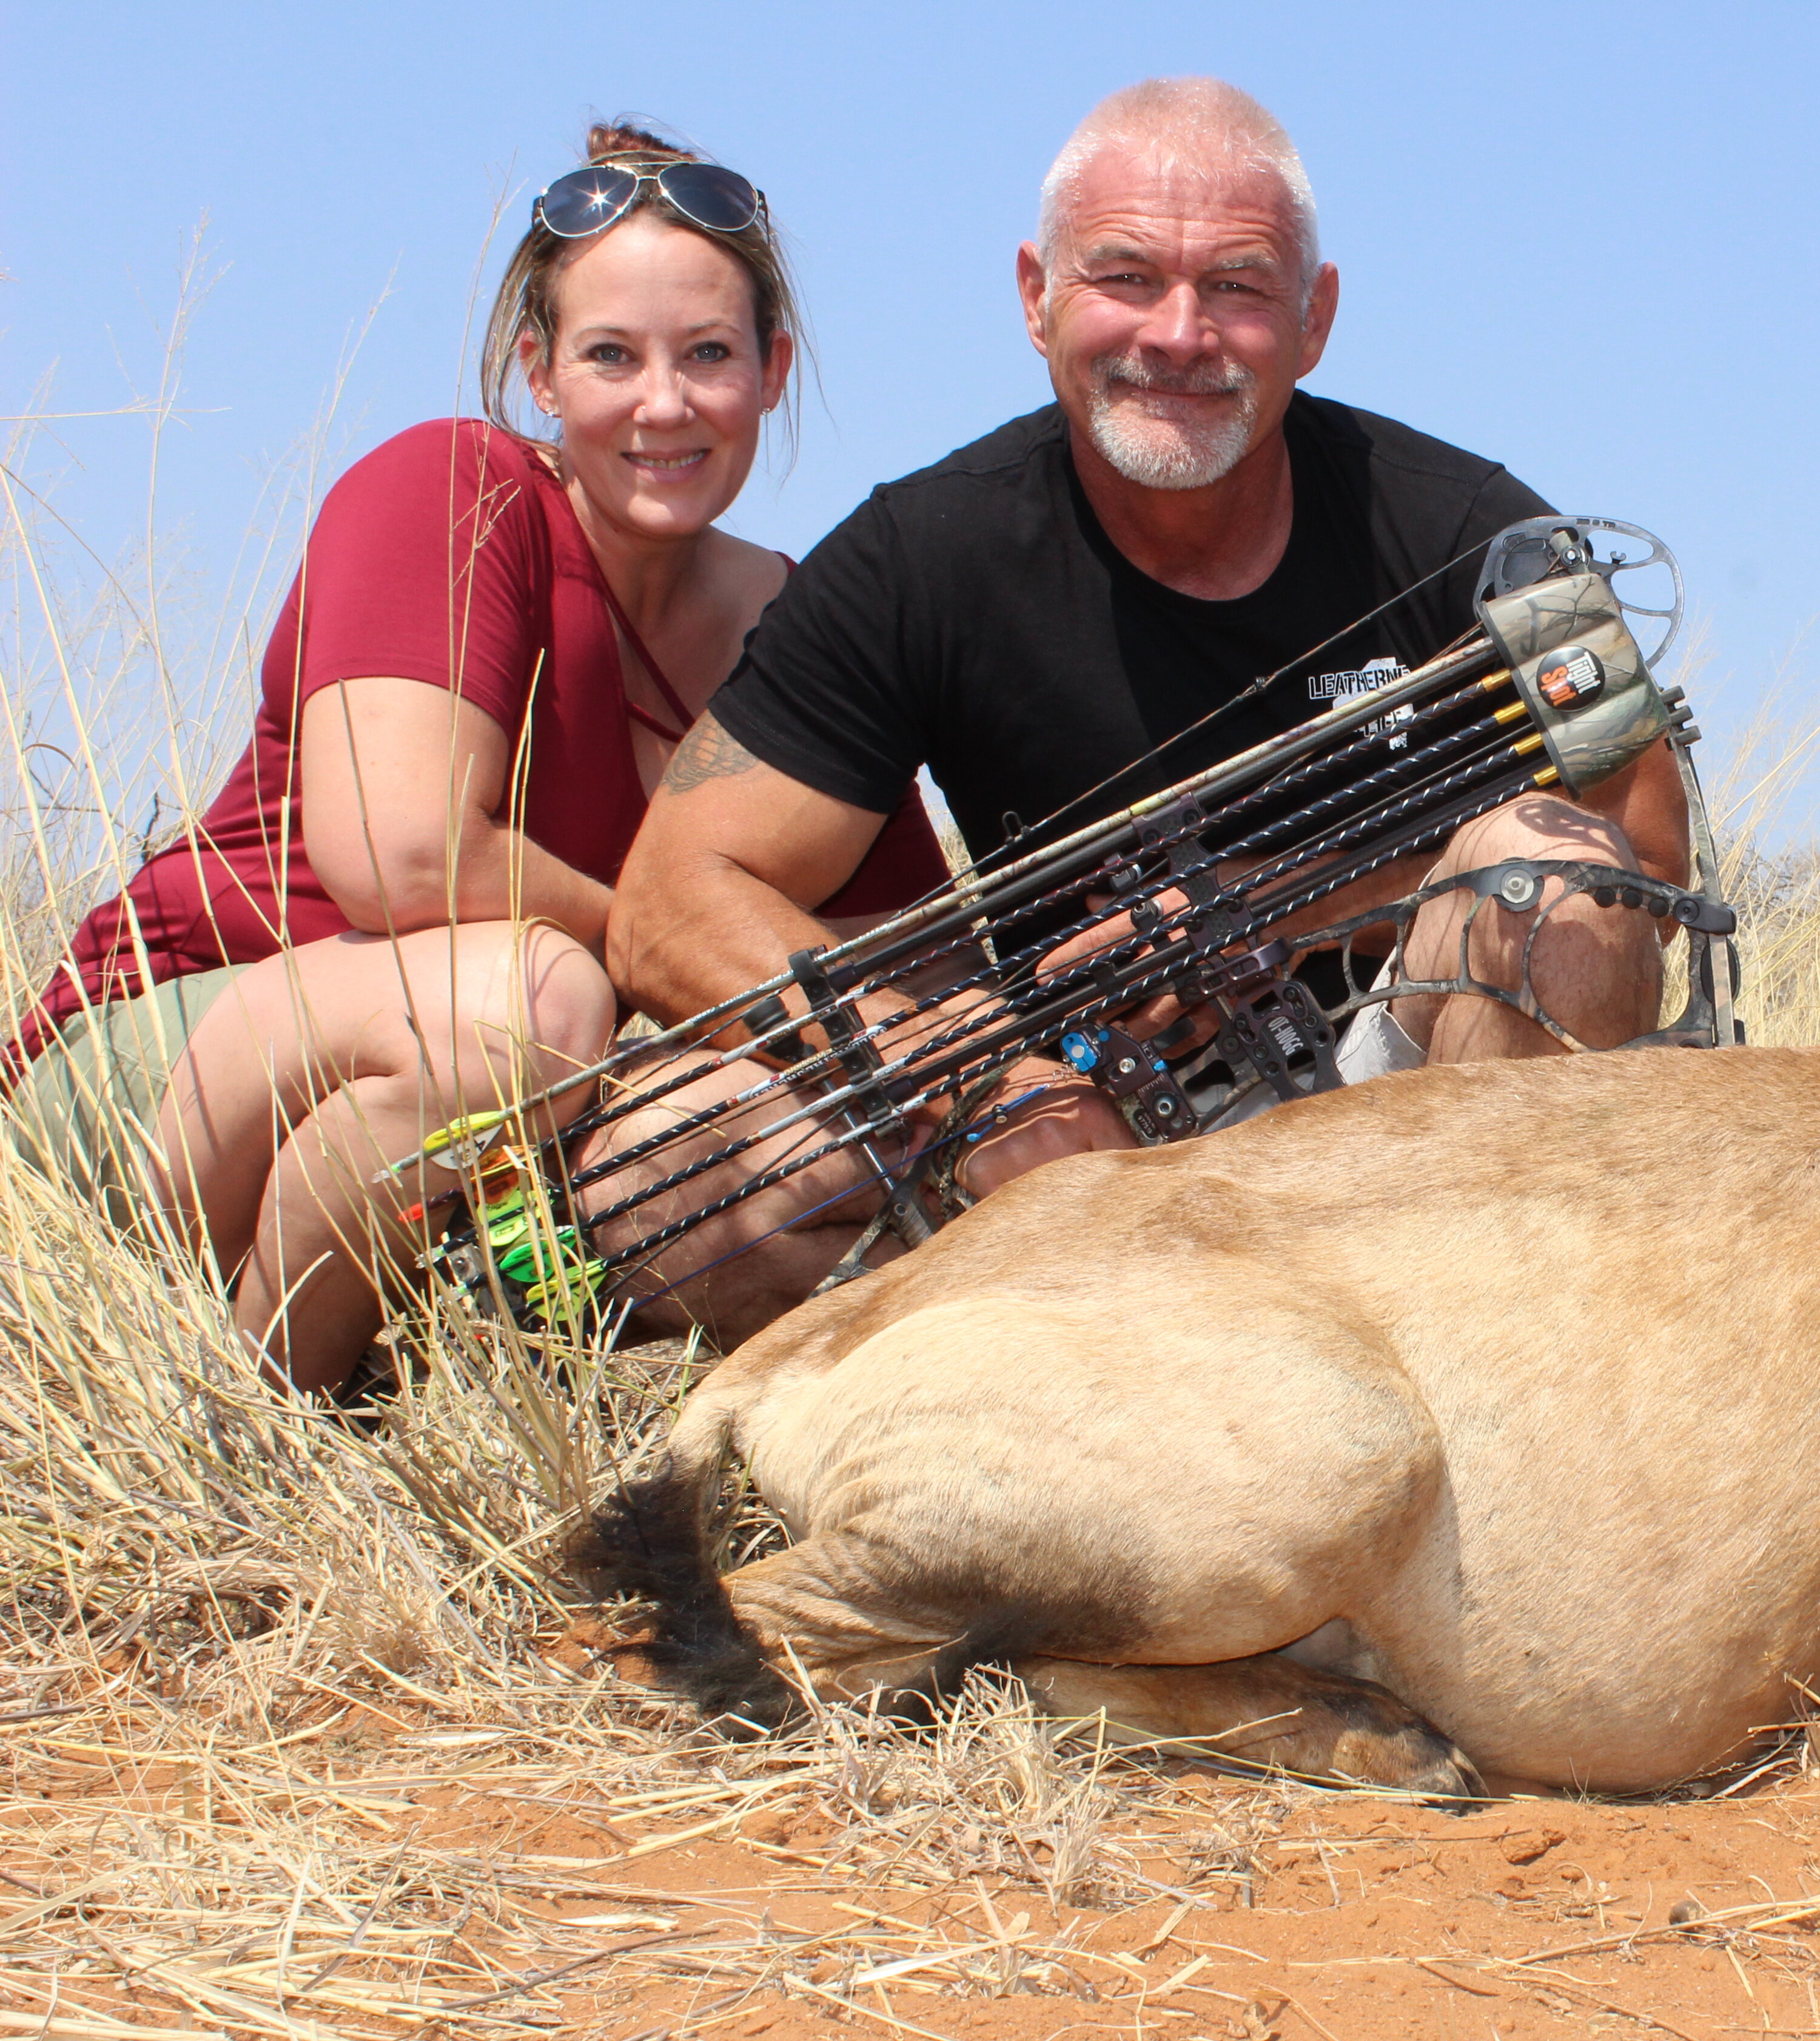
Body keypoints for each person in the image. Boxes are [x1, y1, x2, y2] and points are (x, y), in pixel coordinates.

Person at [596, 78, 1690, 1340]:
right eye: (1125, 277)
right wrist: (963, 1082)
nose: (1178, 335)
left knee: (1555, 884)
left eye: (1236, 286)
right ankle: (1100, 1362)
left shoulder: (1487, 529)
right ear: (1036, 297)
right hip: (1071, 1144)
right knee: (651, 1169)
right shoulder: (918, 551)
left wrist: (1266, 911)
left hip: (1407, 1141)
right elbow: (670, 905)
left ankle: (1476, 1366)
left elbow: (1643, 867)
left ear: (1315, 318)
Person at [1, 122, 943, 1399]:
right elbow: (400, 858)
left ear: (772, 372)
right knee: (526, 1004)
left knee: (836, 1161)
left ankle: (455, 1374)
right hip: (172, 1082)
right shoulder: (453, 484)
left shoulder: (802, 617)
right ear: (538, 373)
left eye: (709, 355)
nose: (663, 404)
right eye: (612, 356)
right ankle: (253, 1424)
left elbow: (910, 961)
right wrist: (685, 958)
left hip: (503, 1118)